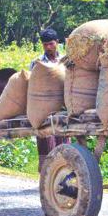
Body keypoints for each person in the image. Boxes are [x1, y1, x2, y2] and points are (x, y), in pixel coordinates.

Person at [30, 28, 69, 169]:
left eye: (51, 44)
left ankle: (64, 172)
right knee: (46, 141)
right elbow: (32, 85)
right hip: (43, 109)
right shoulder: (37, 63)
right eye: (45, 45)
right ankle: (46, 174)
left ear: (57, 42)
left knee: (64, 141)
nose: (48, 47)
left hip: (63, 107)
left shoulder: (65, 60)